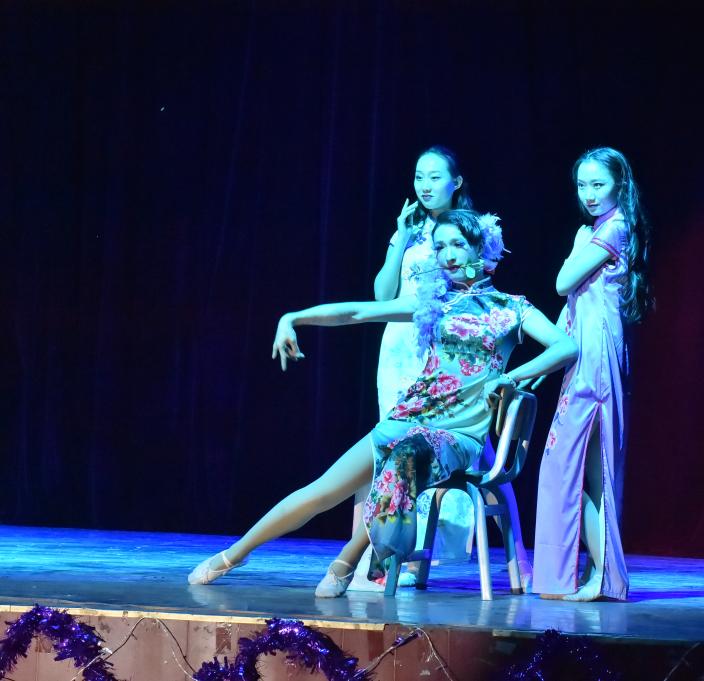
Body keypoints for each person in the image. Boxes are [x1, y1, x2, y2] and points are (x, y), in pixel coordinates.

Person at [188, 209, 576, 597]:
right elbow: (358, 312)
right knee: (323, 491)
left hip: (458, 435)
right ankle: (234, 555)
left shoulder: (511, 308)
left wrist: (512, 376)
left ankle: (347, 558)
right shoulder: (434, 304)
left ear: (480, 248)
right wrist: (294, 317)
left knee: (405, 457)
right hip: (409, 417)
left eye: (458, 244)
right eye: (440, 246)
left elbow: (565, 346)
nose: (448, 254)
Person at [361, 146, 531, 590]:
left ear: (456, 182)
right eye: (419, 176)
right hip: (401, 346)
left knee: (478, 451)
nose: (425, 185)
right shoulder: (412, 230)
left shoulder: (469, 229)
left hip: (450, 344)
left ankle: (515, 551)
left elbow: (482, 296)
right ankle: (394, 551)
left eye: (435, 177)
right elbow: (381, 296)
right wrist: (400, 238)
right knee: (393, 449)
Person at [532, 147, 653, 602]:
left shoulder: (613, 228)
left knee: (581, 466)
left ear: (620, 184)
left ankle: (605, 576)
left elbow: (562, 283)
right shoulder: (603, 228)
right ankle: (598, 574)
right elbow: (571, 304)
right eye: (582, 185)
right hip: (587, 350)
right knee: (576, 468)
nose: (589, 194)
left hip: (597, 355)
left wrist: (577, 245)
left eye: (598, 184)